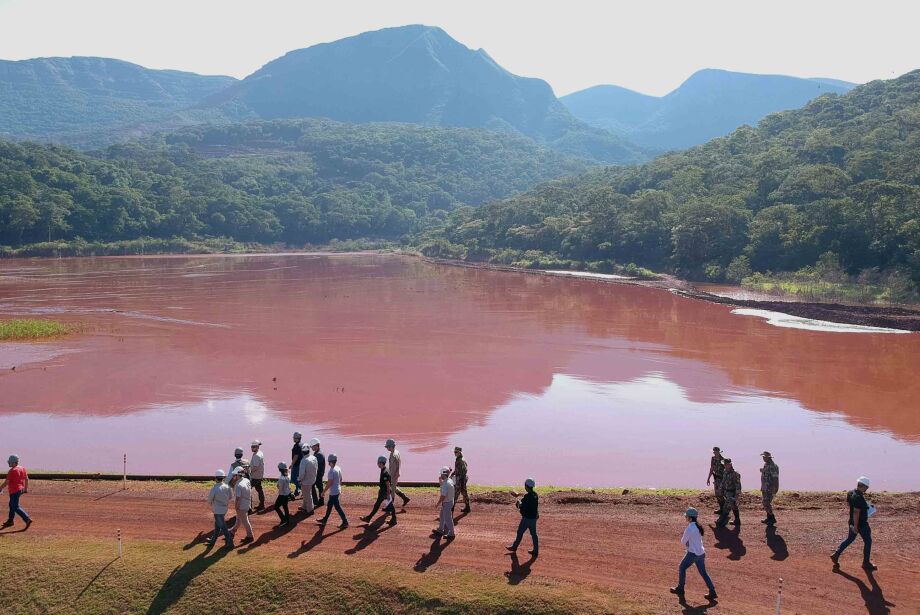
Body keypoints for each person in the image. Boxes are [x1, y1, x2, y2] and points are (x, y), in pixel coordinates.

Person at [670, 507, 718, 600]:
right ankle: (712, 591)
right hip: (701, 554)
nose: (685, 518)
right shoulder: (698, 526)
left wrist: (688, 543)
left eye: (686, 516)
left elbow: (683, 541)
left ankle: (680, 588)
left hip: (692, 554)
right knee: (704, 573)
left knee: (682, 567)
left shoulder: (689, 528)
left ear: (690, 518)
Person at [831, 476, 877, 571]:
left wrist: (864, 507)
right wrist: (856, 526)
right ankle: (866, 563)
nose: (867, 489)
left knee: (849, 539)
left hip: (851, 521)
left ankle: (836, 554)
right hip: (861, 524)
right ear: (864, 486)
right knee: (868, 541)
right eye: (867, 487)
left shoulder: (850, 493)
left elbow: (850, 505)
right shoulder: (859, 497)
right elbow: (856, 511)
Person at [505, 477, 538, 556]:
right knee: (534, 534)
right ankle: (536, 550)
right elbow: (529, 499)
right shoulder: (535, 495)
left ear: (526, 486)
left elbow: (522, 507)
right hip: (533, 518)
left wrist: (518, 503)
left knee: (520, 532)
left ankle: (514, 547)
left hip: (526, 519)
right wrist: (518, 495)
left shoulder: (527, 497)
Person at [361, 456, 397, 525]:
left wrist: (388, 494)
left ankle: (368, 518)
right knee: (390, 505)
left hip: (384, 492)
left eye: (378, 462)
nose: (377, 464)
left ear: (381, 463)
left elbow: (387, 484)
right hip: (385, 491)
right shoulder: (385, 469)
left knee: (377, 505)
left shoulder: (385, 472)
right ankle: (394, 519)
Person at [0, 454, 31, 530]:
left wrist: (0, 488)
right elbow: (26, 479)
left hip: (14, 491)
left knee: (15, 506)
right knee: (11, 504)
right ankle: (10, 520)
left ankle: (27, 519)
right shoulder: (22, 468)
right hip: (20, 489)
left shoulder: (12, 471)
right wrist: (25, 489)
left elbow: (6, 482)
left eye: (10, 462)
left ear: (14, 462)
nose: (8, 463)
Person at [317, 453, 348, 529]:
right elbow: (341, 479)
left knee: (337, 507)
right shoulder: (338, 468)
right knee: (330, 505)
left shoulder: (331, 471)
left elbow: (329, 483)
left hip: (334, 492)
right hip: (337, 490)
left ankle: (345, 522)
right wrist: (339, 486)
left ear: (330, 461)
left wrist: (323, 492)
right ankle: (325, 519)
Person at [206, 469, 234, 547]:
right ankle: (212, 541)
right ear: (223, 478)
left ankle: (230, 543)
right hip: (224, 509)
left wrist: (214, 504)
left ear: (216, 478)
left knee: (223, 527)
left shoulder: (214, 488)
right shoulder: (227, 487)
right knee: (217, 526)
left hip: (217, 511)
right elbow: (230, 497)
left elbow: (209, 500)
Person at [229, 467, 254, 544]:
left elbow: (238, 499)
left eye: (234, 475)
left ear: (238, 475)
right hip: (247, 503)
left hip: (241, 506)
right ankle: (232, 532)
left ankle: (250, 536)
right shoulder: (246, 480)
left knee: (245, 521)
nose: (233, 476)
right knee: (239, 519)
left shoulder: (238, 485)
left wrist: (236, 507)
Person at [716, 458, 742, 528]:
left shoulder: (735, 474)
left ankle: (722, 522)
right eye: (724, 464)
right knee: (734, 506)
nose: (724, 465)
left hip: (732, 493)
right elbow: (723, 482)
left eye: (725, 464)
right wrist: (720, 489)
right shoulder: (725, 472)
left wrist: (736, 497)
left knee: (726, 507)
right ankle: (737, 520)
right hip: (726, 492)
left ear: (730, 464)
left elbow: (738, 486)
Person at [385, 439, 410, 506]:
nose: (387, 448)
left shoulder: (394, 454)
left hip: (394, 474)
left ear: (391, 446)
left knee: (392, 490)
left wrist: (395, 474)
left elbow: (396, 464)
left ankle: (390, 506)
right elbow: (399, 462)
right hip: (394, 473)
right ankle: (405, 498)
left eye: (388, 447)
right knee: (393, 487)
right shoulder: (395, 452)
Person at [433, 466, 455, 539]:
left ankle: (451, 533)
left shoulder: (446, 484)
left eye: (441, 474)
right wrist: (440, 480)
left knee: (447, 519)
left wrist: (438, 503)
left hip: (447, 503)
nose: (440, 475)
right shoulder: (449, 480)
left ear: (443, 474)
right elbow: (443, 485)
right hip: (450, 501)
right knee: (442, 515)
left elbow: (443, 496)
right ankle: (440, 529)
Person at [298, 443, 318, 516]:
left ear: (302, 452)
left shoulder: (304, 460)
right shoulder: (314, 458)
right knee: (306, 493)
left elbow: (302, 473)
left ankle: (310, 509)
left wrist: (299, 479)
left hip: (306, 481)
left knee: (307, 495)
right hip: (312, 479)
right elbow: (316, 468)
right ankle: (304, 506)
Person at [759, 451, 780, 525]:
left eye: (764, 457)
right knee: (765, 503)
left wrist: (775, 489)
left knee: (767, 503)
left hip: (770, 488)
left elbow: (775, 478)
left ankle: (772, 518)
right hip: (765, 487)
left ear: (769, 457)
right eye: (763, 457)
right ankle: (769, 518)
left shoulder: (773, 466)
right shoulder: (766, 464)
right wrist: (763, 470)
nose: (763, 458)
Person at [450, 446, 471, 513]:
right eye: (454, 452)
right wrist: (452, 474)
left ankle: (451, 508)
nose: (454, 453)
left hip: (460, 480)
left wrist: (460, 481)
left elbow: (464, 471)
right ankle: (467, 508)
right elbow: (457, 469)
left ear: (459, 452)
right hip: (461, 479)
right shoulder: (459, 459)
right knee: (464, 493)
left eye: (456, 452)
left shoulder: (461, 460)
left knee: (456, 494)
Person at [706, 447, 725, 516]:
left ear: (719, 452)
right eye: (714, 452)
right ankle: (721, 508)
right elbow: (712, 468)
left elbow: (726, 470)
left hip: (722, 479)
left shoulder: (723, 460)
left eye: (716, 452)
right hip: (716, 479)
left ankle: (724, 509)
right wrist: (708, 478)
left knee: (721, 494)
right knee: (717, 494)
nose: (715, 453)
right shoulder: (713, 459)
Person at [250, 439, 265, 510]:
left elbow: (255, 467)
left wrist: (248, 471)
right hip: (259, 475)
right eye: (252, 447)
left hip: (255, 476)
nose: (252, 448)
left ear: (257, 447)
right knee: (259, 489)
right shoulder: (260, 453)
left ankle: (249, 507)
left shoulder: (256, 456)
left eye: (254, 447)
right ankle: (262, 505)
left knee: (247, 490)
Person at [310, 438, 326, 507]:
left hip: (318, 474)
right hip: (319, 473)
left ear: (316, 445)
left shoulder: (318, 454)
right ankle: (320, 501)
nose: (311, 448)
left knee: (316, 486)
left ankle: (316, 501)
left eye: (312, 446)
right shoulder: (317, 453)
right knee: (319, 487)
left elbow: (316, 466)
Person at [275, 462, 291, 527]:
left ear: (279, 469)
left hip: (282, 495)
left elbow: (280, 488)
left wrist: (278, 486)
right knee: (285, 507)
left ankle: (283, 519)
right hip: (287, 494)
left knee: (276, 507)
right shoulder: (288, 475)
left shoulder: (281, 478)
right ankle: (287, 520)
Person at [291, 432, 304, 500]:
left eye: (294, 437)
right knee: (299, 478)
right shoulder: (302, 444)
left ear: (297, 438)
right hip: (301, 464)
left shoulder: (297, 446)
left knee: (294, 479)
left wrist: (292, 464)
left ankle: (303, 490)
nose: (293, 438)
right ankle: (297, 491)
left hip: (297, 465)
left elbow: (296, 456)